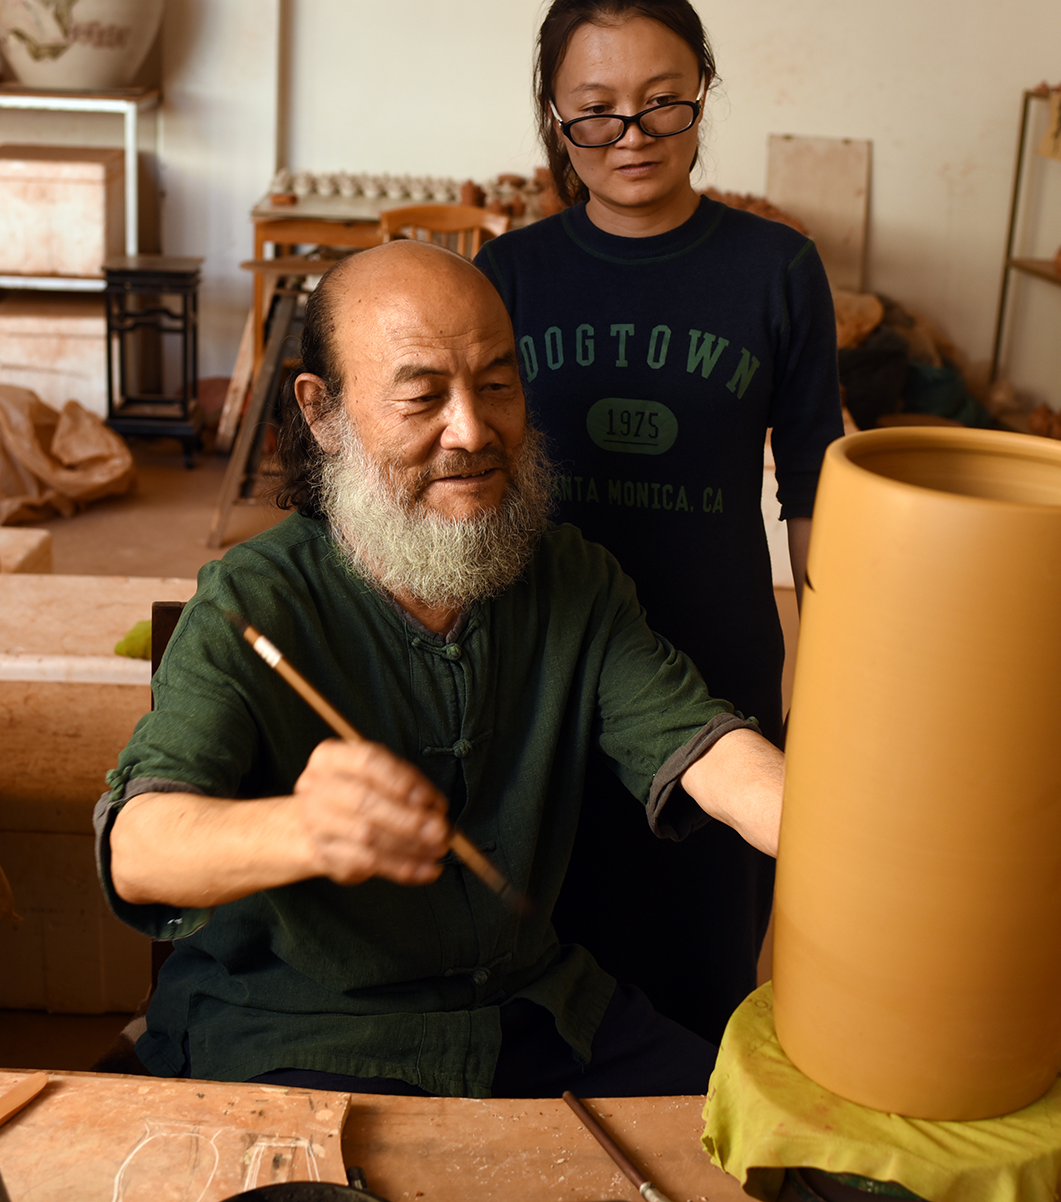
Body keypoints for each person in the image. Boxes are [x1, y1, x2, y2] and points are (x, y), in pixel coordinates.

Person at [95, 240, 786, 1099]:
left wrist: (834, 839)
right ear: (323, 412)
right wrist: (300, 829)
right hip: (300, 1031)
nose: (473, 430)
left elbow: (702, 746)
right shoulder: (252, 604)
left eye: (497, 386)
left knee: (763, 1145)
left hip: (533, 1016)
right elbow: (139, 847)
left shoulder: (571, 578)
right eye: (423, 396)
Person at [475, 0, 844, 1043]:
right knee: (545, 948)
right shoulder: (512, 275)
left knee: (703, 961)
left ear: (702, 97)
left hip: (715, 659)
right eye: (595, 111)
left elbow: (813, 481)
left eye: (661, 104)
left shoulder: (776, 270)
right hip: (547, 660)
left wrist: (843, 679)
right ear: (555, 117)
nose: (630, 137)